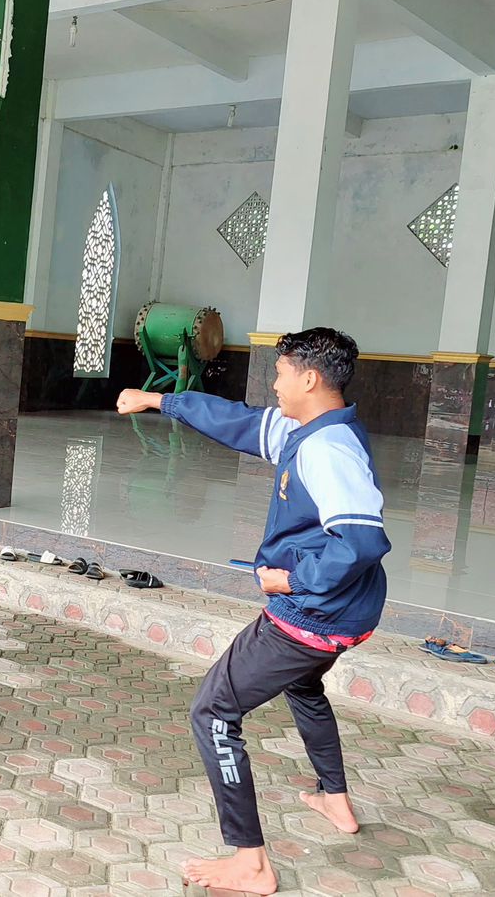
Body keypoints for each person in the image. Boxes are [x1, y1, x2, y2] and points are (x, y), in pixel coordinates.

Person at [116, 327, 389, 896]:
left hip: (312, 615)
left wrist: (292, 578)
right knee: (304, 688)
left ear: (309, 378)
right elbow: (235, 421)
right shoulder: (308, 428)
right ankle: (335, 800)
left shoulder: (327, 448)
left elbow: (361, 541)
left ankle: (251, 863)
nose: (275, 384)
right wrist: (159, 400)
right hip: (343, 615)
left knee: (214, 712)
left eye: (281, 373)